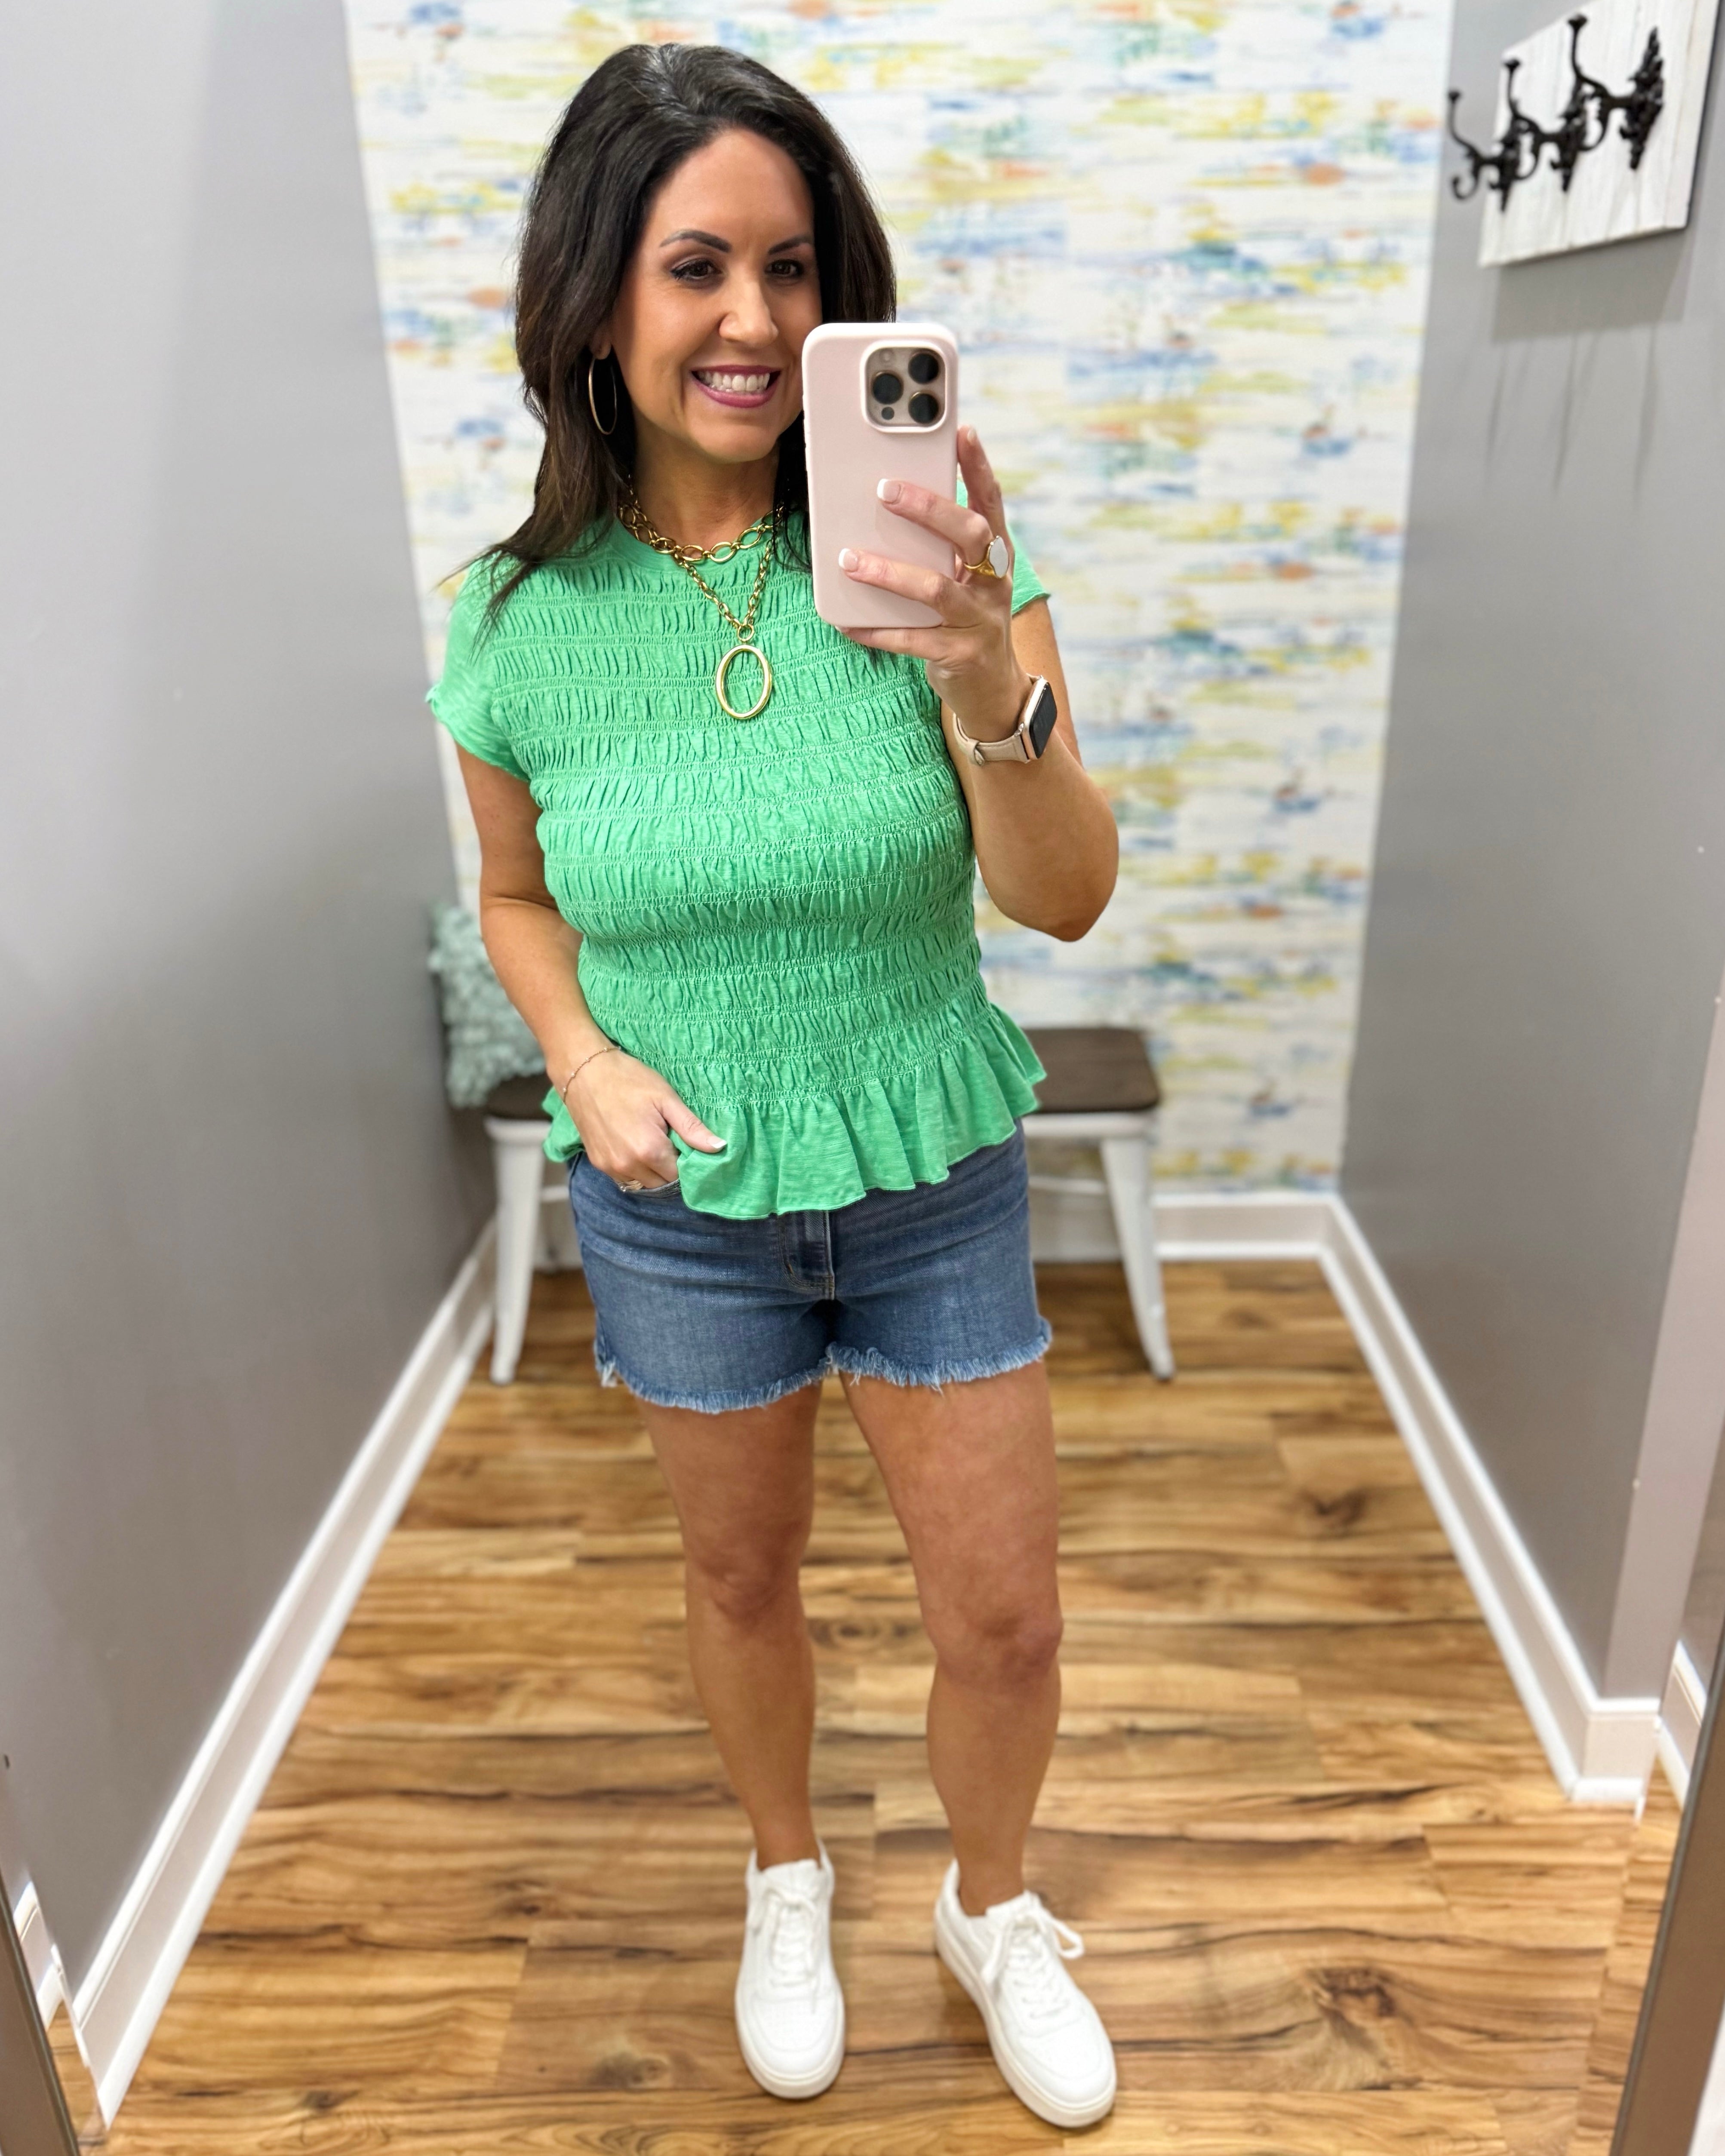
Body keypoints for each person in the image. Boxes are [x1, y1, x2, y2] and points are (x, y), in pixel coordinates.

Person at [430, 41, 1121, 2132]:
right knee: (738, 1584)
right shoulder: (510, 620)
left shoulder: (932, 568)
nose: (752, 321)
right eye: (695, 267)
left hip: (924, 1165)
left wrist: (988, 673)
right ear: (595, 300)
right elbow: (517, 898)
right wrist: (578, 1056)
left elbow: (1066, 901)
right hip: (675, 1195)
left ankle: (989, 1910)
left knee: (1000, 1615)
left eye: (793, 267)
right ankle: (786, 1875)